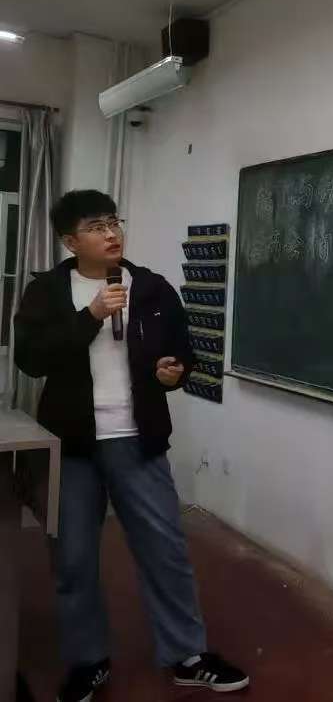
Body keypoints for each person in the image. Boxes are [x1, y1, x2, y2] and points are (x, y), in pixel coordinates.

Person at [13, 191, 249, 702]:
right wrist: (90, 315)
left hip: (137, 441)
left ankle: (187, 655)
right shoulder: (46, 292)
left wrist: (173, 372)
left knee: (165, 549)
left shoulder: (153, 288)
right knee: (73, 558)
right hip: (73, 445)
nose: (111, 233)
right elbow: (30, 360)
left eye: (113, 222)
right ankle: (88, 661)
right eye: (96, 227)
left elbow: (182, 353)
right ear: (70, 241)